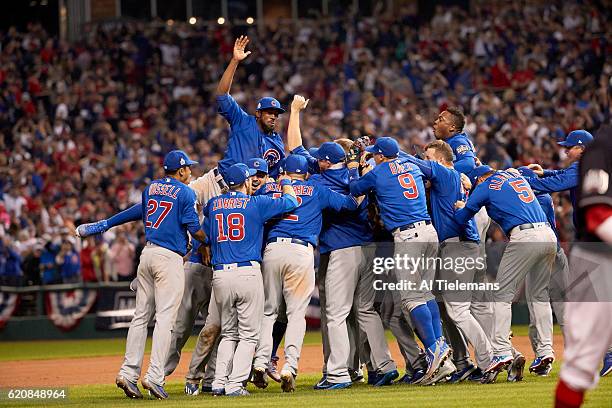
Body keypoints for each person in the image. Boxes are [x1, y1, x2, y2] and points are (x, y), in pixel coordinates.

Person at [252, 153, 359, 392]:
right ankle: (289, 366)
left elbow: (252, 204)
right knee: (296, 314)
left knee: (268, 312)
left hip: (273, 250)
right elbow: (351, 204)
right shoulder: (316, 189)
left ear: (285, 172)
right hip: (300, 252)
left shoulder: (270, 189)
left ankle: (260, 361)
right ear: (306, 173)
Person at [348, 136, 450, 385]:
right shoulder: (413, 166)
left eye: (375, 154)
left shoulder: (378, 171)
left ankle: (434, 350)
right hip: (429, 232)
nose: (374, 156)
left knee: (411, 298)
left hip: (408, 235)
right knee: (425, 294)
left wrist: (353, 167)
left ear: (382, 155)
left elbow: (354, 189)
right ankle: (441, 354)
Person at [115, 150, 206, 400]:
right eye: (188, 168)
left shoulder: (151, 188)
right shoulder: (186, 192)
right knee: (166, 319)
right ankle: (155, 377)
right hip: (169, 259)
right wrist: (207, 241)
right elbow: (194, 228)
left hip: (148, 254)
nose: (190, 171)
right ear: (180, 170)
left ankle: (128, 373)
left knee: (140, 317)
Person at [454, 165, 557, 383]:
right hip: (548, 235)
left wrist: (462, 205)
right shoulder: (512, 175)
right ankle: (546, 351)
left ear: (480, 179)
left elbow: (462, 218)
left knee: (501, 295)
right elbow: (519, 172)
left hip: (524, 237)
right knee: (539, 296)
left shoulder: (485, 186)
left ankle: (501, 350)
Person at [401, 140, 492, 384]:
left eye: (429, 157)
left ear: (440, 159)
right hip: (460, 244)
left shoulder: (445, 171)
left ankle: (490, 358)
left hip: (458, 244)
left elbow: (418, 164)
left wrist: (393, 153)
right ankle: (484, 358)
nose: (426, 160)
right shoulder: (455, 177)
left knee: (458, 310)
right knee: (455, 307)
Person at [205, 163, 298, 397]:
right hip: (247, 271)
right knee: (248, 335)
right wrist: (286, 182)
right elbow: (291, 202)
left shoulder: (214, 205)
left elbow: (205, 230)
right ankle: (235, 385)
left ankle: (218, 382)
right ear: (246, 181)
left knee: (228, 333)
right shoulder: (255, 204)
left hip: (220, 275)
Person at [555, 125, 612, 408]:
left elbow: (555, 182)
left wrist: (525, 176)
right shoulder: (596, 155)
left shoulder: (589, 158)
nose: (566, 151)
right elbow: (556, 178)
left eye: (569, 146)